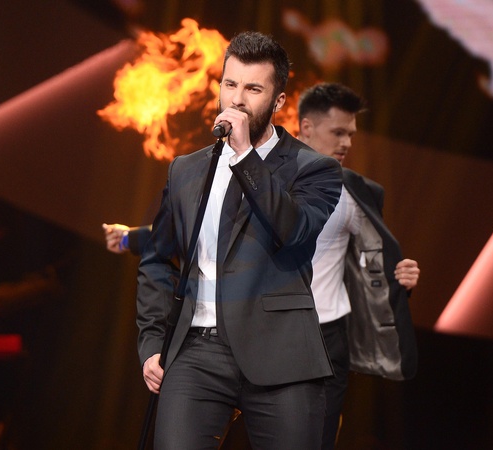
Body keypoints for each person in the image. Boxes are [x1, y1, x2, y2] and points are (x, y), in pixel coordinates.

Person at [135, 32, 342, 449]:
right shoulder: (186, 170)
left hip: (282, 354)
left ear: (278, 101)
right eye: (230, 84)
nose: (237, 99)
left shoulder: (313, 168)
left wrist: (246, 156)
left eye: (253, 89)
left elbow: (293, 229)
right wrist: (153, 342)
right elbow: (157, 260)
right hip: (197, 351)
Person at [297, 82, 419, 449]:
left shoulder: (357, 193)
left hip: (330, 337)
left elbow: (371, 261)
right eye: (338, 132)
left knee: (319, 440)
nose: (347, 142)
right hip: (272, 330)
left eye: (350, 134)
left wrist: (400, 277)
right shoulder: (265, 181)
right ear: (306, 127)